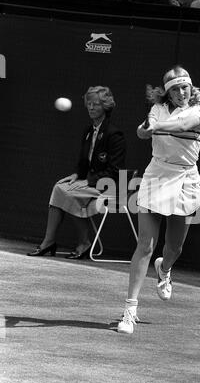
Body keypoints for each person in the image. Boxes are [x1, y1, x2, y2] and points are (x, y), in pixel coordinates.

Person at [117, 65, 200, 334]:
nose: (182, 92)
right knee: (145, 244)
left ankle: (164, 269)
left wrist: (155, 127)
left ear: (191, 88)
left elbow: (183, 125)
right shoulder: (157, 110)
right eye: (175, 89)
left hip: (186, 179)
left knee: (174, 247)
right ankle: (129, 310)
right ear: (167, 93)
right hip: (156, 174)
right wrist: (146, 128)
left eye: (185, 87)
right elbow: (142, 133)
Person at [27, 86, 126, 259]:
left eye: (96, 104)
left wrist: (88, 181)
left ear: (105, 107)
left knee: (69, 193)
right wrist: (76, 176)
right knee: (60, 186)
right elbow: (83, 163)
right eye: (89, 104)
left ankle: (84, 242)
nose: (91, 107)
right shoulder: (88, 131)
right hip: (89, 182)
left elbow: (115, 171)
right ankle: (49, 241)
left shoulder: (114, 134)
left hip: (109, 186)